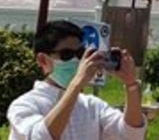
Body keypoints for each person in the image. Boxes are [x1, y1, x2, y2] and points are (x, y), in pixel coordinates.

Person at [6, 20, 146, 140]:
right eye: (67, 54)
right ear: (43, 60)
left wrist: (131, 84)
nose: (76, 61)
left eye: (79, 54)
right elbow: (41, 136)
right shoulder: (24, 105)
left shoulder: (92, 106)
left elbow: (131, 134)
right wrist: (77, 83)